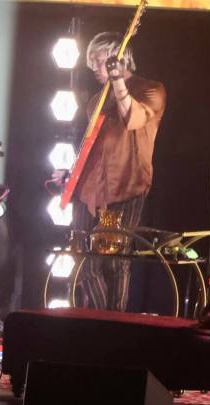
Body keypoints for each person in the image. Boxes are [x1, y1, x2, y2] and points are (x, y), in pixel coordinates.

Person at [67, 31, 166, 311]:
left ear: (118, 59)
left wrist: (119, 83)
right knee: (85, 262)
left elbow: (133, 119)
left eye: (100, 63)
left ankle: (113, 326)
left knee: (117, 262)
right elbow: (93, 148)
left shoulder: (151, 90)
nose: (96, 70)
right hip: (90, 192)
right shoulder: (96, 100)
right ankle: (103, 324)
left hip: (127, 186)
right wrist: (72, 176)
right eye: (93, 65)